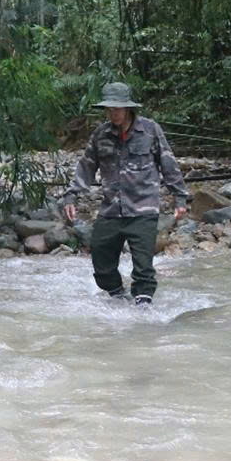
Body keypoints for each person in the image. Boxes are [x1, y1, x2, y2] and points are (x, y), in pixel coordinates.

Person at [61, 81, 189, 306]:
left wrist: (179, 197)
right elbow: (87, 166)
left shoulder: (150, 130)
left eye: (117, 109)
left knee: (143, 266)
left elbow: (168, 163)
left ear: (128, 108)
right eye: (109, 109)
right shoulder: (100, 135)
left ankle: (143, 308)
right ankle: (118, 297)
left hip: (143, 209)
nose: (113, 113)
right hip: (111, 209)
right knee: (100, 258)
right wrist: (72, 196)